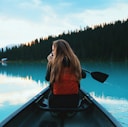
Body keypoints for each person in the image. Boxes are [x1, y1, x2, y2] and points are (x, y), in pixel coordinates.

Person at [45, 39, 86, 108]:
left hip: (55, 103)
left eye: (53, 50)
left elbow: (47, 78)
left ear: (57, 51)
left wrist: (49, 62)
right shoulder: (74, 62)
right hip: (73, 103)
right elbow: (83, 75)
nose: (52, 53)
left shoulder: (53, 63)